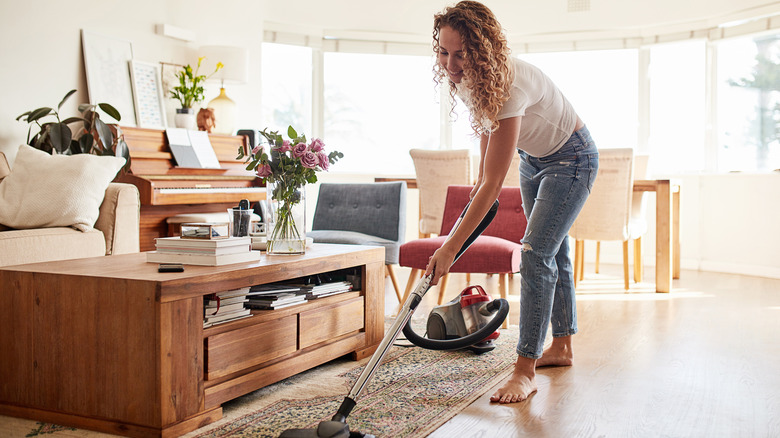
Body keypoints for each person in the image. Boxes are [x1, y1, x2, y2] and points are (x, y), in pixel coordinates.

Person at [426, 1, 599, 404]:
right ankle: (563, 346)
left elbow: (492, 182)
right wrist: (475, 195)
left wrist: (450, 247)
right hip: (532, 159)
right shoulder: (471, 79)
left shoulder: (508, 83)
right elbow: (485, 171)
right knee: (555, 253)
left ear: (482, 50)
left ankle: (525, 372)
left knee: (537, 255)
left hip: (572, 159)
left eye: (460, 54)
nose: (450, 64)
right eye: (443, 52)